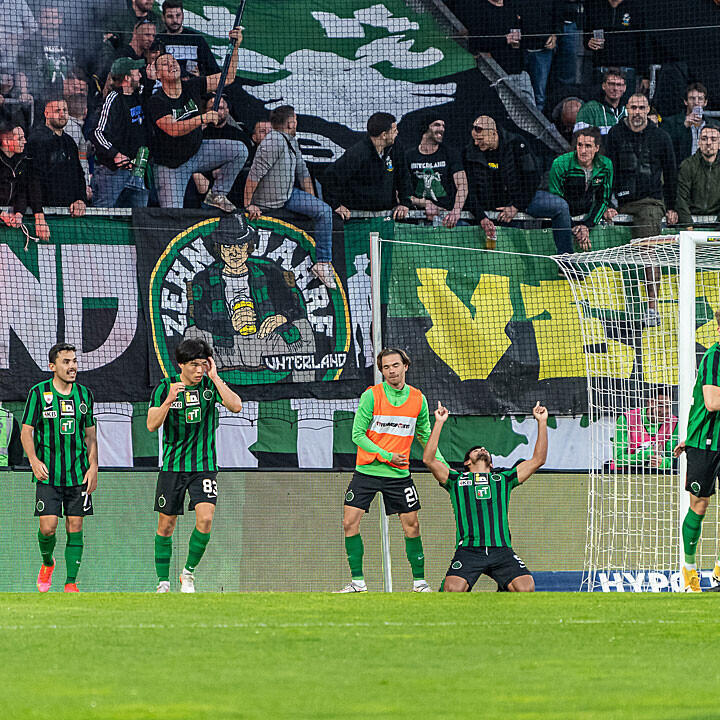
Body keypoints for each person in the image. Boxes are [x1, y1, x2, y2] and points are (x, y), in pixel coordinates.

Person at [335, 348, 441, 593]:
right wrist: (386, 455)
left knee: (412, 526)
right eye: (386, 367)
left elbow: (425, 435)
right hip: (367, 472)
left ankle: (420, 583)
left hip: (399, 476)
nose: (391, 371)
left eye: (395, 365)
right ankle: (358, 582)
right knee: (349, 522)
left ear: (406, 365)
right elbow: (357, 435)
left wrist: (442, 465)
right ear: (381, 371)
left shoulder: (418, 399)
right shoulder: (371, 396)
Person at [146, 338, 243, 593]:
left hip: (204, 466)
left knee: (206, 519)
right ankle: (163, 582)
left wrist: (216, 377)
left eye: (203, 364)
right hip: (173, 467)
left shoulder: (210, 386)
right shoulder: (165, 387)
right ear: (180, 365)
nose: (199, 370)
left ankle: (187, 574)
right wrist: (168, 401)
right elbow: (151, 424)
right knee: (166, 526)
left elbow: (236, 405)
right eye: (194, 365)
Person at [422, 400, 548, 592]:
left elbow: (538, 459)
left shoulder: (504, 479)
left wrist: (542, 421)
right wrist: (439, 422)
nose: (481, 449)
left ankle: (503, 594)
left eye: (483, 449)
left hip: (502, 550)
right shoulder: (456, 480)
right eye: (475, 450)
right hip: (469, 550)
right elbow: (428, 459)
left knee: (526, 587)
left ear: (491, 463)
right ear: (466, 462)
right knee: (452, 590)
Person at [183, 213, 317, 381]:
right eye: (228, 246)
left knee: (303, 326)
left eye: (239, 245)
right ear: (219, 248)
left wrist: (282, 317)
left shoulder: (269, 272)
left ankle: (304, 389)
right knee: (192, 333)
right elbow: (201, 317)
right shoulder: (204, 278)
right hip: (226, 345)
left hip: (266, 341)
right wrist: (229, 325)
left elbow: (295, 306)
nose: (234, 252)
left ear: (248, 246)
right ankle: (196, 392)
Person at [20, 343, 97, 593]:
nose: (72, 366)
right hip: (48, 475)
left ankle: (70, 583)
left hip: (77, 474)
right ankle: (47, 562)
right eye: (66, 362)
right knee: (48, 527)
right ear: (52, 366)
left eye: (74, 361)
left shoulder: (85, 395)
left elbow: (90, 437)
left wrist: (93, 466)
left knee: (75, 526)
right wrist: (33, 460)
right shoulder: (39, 393)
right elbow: (26, 432)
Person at [145, 26, 246, 210]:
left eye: (173, 61)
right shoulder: (157, 101)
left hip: (197, 153)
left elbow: (228, 78)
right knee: (172, 215)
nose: (172, 64)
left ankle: (217, 195)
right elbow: (173, 129)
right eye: (165, 64)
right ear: (158, 75)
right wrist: (203, 118)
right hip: (171, 167)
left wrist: (236, 46)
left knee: (240, 150)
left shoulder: (192, 85)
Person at [244, 105, 337, 289]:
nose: (297, 123)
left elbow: (303, 173)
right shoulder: (273, 142)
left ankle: (323, 263)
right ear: (290, 122)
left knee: (324, 211)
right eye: (295, 120)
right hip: (267, 202)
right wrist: (248, 204)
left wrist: (313, 203)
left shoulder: (291, 141)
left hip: (287, 195)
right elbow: (253, 176)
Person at [605, 93, 678, 326]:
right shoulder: (614, 135)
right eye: (633, 107)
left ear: (648, 110)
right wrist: (607, 204)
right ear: (626, 108)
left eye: (642, 107)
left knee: (648, 253)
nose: (637, 112)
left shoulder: (661, 136)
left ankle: (652, 308)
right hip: (621, 201)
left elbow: (672, 173)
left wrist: (673, 207)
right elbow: (607, 170)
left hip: (650, 202)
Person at [463, 115, 572, 252]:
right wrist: (481, 217)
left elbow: (533, 178)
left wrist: (516, 206)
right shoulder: (469, 153)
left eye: (480, 139)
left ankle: (566, 260)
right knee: (516, 252)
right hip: (493, 207)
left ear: (493, 133)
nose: (476, 144)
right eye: (475, 140)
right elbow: (468, 191)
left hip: (523, 199)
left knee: (560, 207)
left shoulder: (517, 143)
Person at [673, 310, 720, 593]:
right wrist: (691, 436)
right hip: (705, 443)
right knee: (699, 507)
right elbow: (712, 402)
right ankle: (690, 575)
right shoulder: (716, 355)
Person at [321, 112, 411, 221]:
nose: (397, 133)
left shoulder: (396, 147)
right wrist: (335, 205)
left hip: (387, 215)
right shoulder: (357, 154)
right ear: (384, 135)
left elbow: (403, 176)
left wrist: (404, 203)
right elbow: (330, 176)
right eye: (394, 130)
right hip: (359, 217)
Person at [92, 57, 150, 208]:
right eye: (137, 72)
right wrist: (115, 154)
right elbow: (98, 133)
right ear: (127, 78)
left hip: (138, 170)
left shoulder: (139, 95)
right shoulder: (113, 99)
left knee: (139, 218)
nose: (141, 76)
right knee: (103, 217)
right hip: (112, 173)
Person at [548, 127, 614, 252]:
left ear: (597, 148)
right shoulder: (560, 164)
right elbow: (555, 200)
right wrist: (573, 227)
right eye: (580, 145)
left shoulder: (606, 165)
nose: (583, 150)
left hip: (586, 215)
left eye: (588, 146)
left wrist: (587, 226)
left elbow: (604, 199)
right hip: (560, 220)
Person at [27, 97, 87, 216]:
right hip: (45, 211)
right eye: (57, 110)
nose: (62, 114)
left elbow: (79, 174)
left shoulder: (69, 142)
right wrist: (38, 213)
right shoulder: (37, 140)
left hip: (69, 212)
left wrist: (81, 199)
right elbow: (33, 178)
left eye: (64, 110)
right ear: (46, 113)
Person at [405, 115, 468, 228]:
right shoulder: (409, 156)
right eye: (437, 125)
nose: (442, 129)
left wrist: (456, 211)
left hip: (447, 219)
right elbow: (401, 193)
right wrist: (425, 203)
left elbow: (462, 185)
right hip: (416, 220)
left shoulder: (450, 154)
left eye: (443, 125)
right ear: (426, 128)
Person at [584, 0, 647, 94]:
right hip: (601, 69)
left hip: (628, 70)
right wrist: (588, 42)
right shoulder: (594, 5)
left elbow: (644, 42)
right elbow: (586, 34)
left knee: (627, 107)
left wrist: (645, 75)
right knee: (599, 106)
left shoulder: (636, 6)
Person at [0, 124, 49, 241]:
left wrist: (19, 214)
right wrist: (2, 214)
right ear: (6, 141)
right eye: (20, 139)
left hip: (11, 221)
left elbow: (22, 191)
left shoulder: (25, 160)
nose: (25, 141)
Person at [611, 390, 678, 470]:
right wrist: (647, 455)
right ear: (650, 402)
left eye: (668, 406)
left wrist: (663, 463)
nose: (665, 411)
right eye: (660, 405)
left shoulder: (673, 423)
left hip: (655, 475)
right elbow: (618, 459)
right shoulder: (626, 419)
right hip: (625, 474)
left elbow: (671, 458)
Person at [159, 0, 220, 78]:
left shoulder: (196, 39)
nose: (175, 20)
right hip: (168, 86)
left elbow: (213, 70)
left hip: (194, 86)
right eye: (170, 16)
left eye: (178, 15)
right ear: (163, 17)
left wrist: (200, 75)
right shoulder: (159, 40)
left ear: (183, 16)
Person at [676, 124, 720, 227]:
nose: (708, 143)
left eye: (713, 139)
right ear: (699, 142)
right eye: (704, 139)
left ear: (719, 144)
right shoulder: (687, 165)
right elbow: (681, 199)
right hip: (691, 220)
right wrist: (688, 226)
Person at [661, 83, 709, 164]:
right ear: (685, 101)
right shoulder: (671, 123)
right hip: (682, 170)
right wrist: (684, 125)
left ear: (705, 102)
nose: (696, 102)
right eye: (692, 98)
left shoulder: (713, 124)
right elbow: (665, 147)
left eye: (700, 99)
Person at [573, 68, 627, 137]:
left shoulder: (629, 110)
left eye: (619, 85)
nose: (615, 88)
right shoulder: (589, 109)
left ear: (624, 88)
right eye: (611, 84)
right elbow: (578, 138)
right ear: (603, 86)